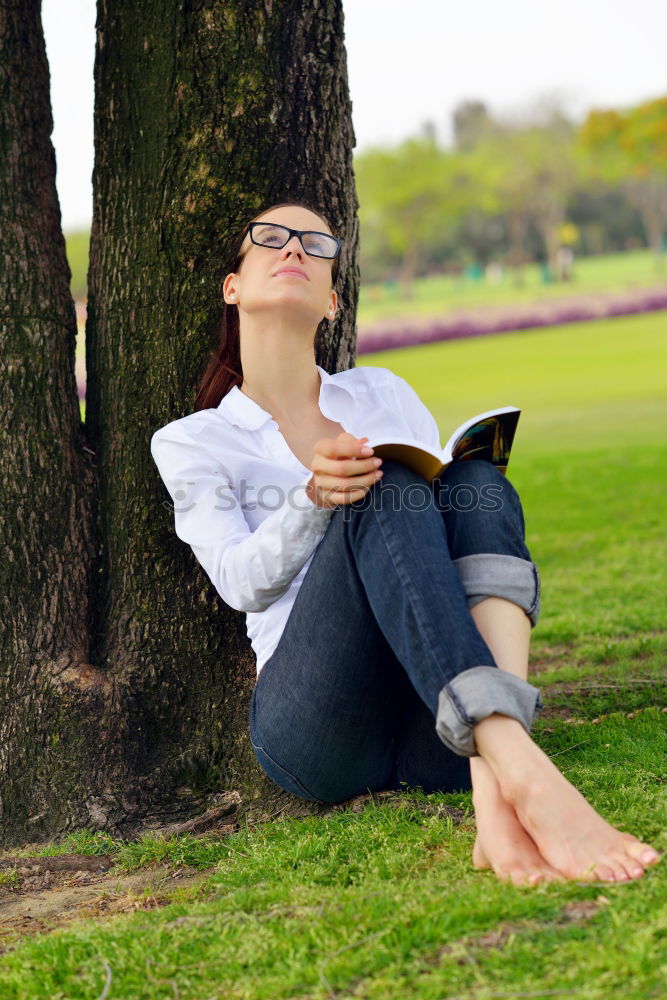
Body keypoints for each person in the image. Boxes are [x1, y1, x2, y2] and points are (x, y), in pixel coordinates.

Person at [151, 200, 661, 888]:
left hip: (436, 722)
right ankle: (526, 780)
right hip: (317, 726)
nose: (293, 248)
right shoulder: (193, 440)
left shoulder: (379, 393)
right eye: (269, 238)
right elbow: (240, 583)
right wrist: (312, 499)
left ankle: (492, 775)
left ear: (332, 301)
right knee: (384, 481)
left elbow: (445, 522)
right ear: (231, 285)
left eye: (315, 243)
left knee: (475, 480)